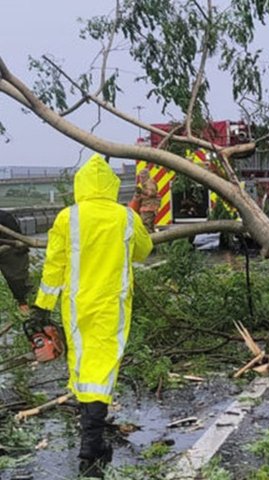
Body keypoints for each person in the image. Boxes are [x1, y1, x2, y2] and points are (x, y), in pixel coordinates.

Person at [26, 153, 153, 478]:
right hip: (112, 305)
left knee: (83, 366)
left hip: (76, 306)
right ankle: (92, 441)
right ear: (111, 186)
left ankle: (91, 436)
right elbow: (144, 251)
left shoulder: (68, 217)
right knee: (103, 367)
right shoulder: (124, 217)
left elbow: (53, 266)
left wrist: (42, 307)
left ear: (80, 184)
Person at [0, 210, 31, 314]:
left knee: (18, 279)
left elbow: (19, 240)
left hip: (10, 250)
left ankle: (24, 304)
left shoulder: (5, 217)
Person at [129, 168, 160, 233]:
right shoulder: (145, 184)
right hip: (146, 208)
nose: (141, 179)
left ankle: (149, 239)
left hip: (149, 207)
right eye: (140, 177)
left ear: (147, 176)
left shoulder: (149, 182)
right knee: (149, 226)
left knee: (145, 226)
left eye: (143, 177)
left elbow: (151, 193)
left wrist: (142, 191)